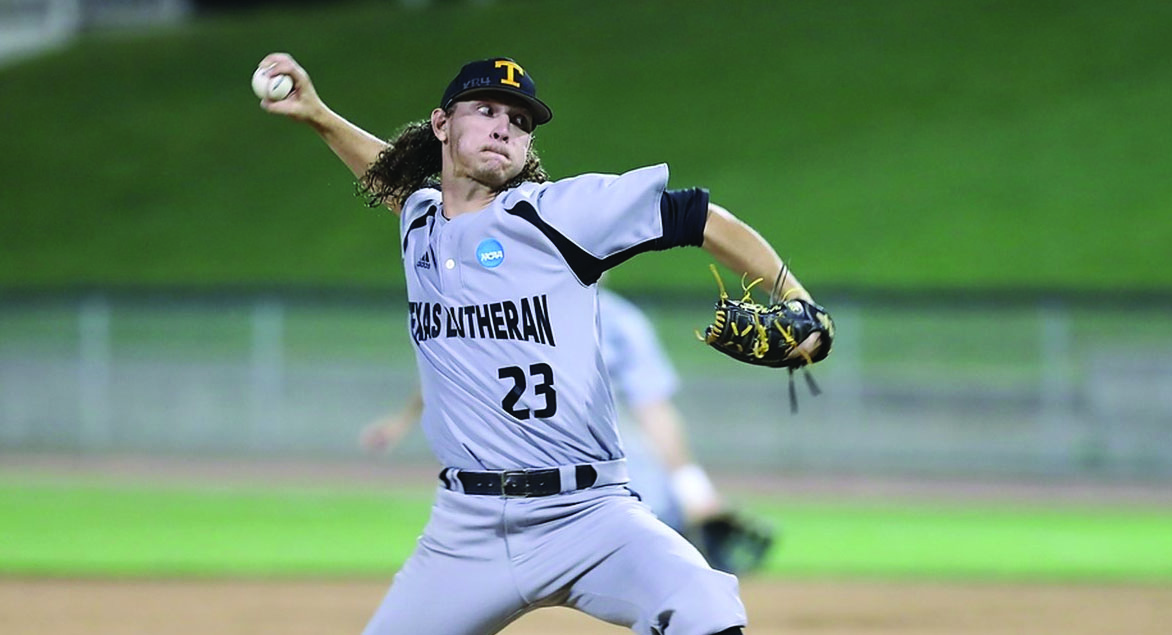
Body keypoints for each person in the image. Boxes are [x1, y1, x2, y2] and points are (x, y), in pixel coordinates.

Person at [256, 52, 829, 635]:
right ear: (441, 125)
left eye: (521, 121)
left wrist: (797, 297)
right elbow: (391, 177)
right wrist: (317, 115)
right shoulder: (421, 224)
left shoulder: (559, 215)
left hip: (591, 515)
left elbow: (698, 216)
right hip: (467, 529)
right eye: (485, 110)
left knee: (705, 609)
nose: (504, 125)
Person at [360, 286, 776, 574]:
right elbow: (449, 370)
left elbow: (655, 412)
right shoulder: (513, 310)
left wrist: (692, 488)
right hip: (560, 485)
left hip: (606, 482)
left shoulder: (611, 320)